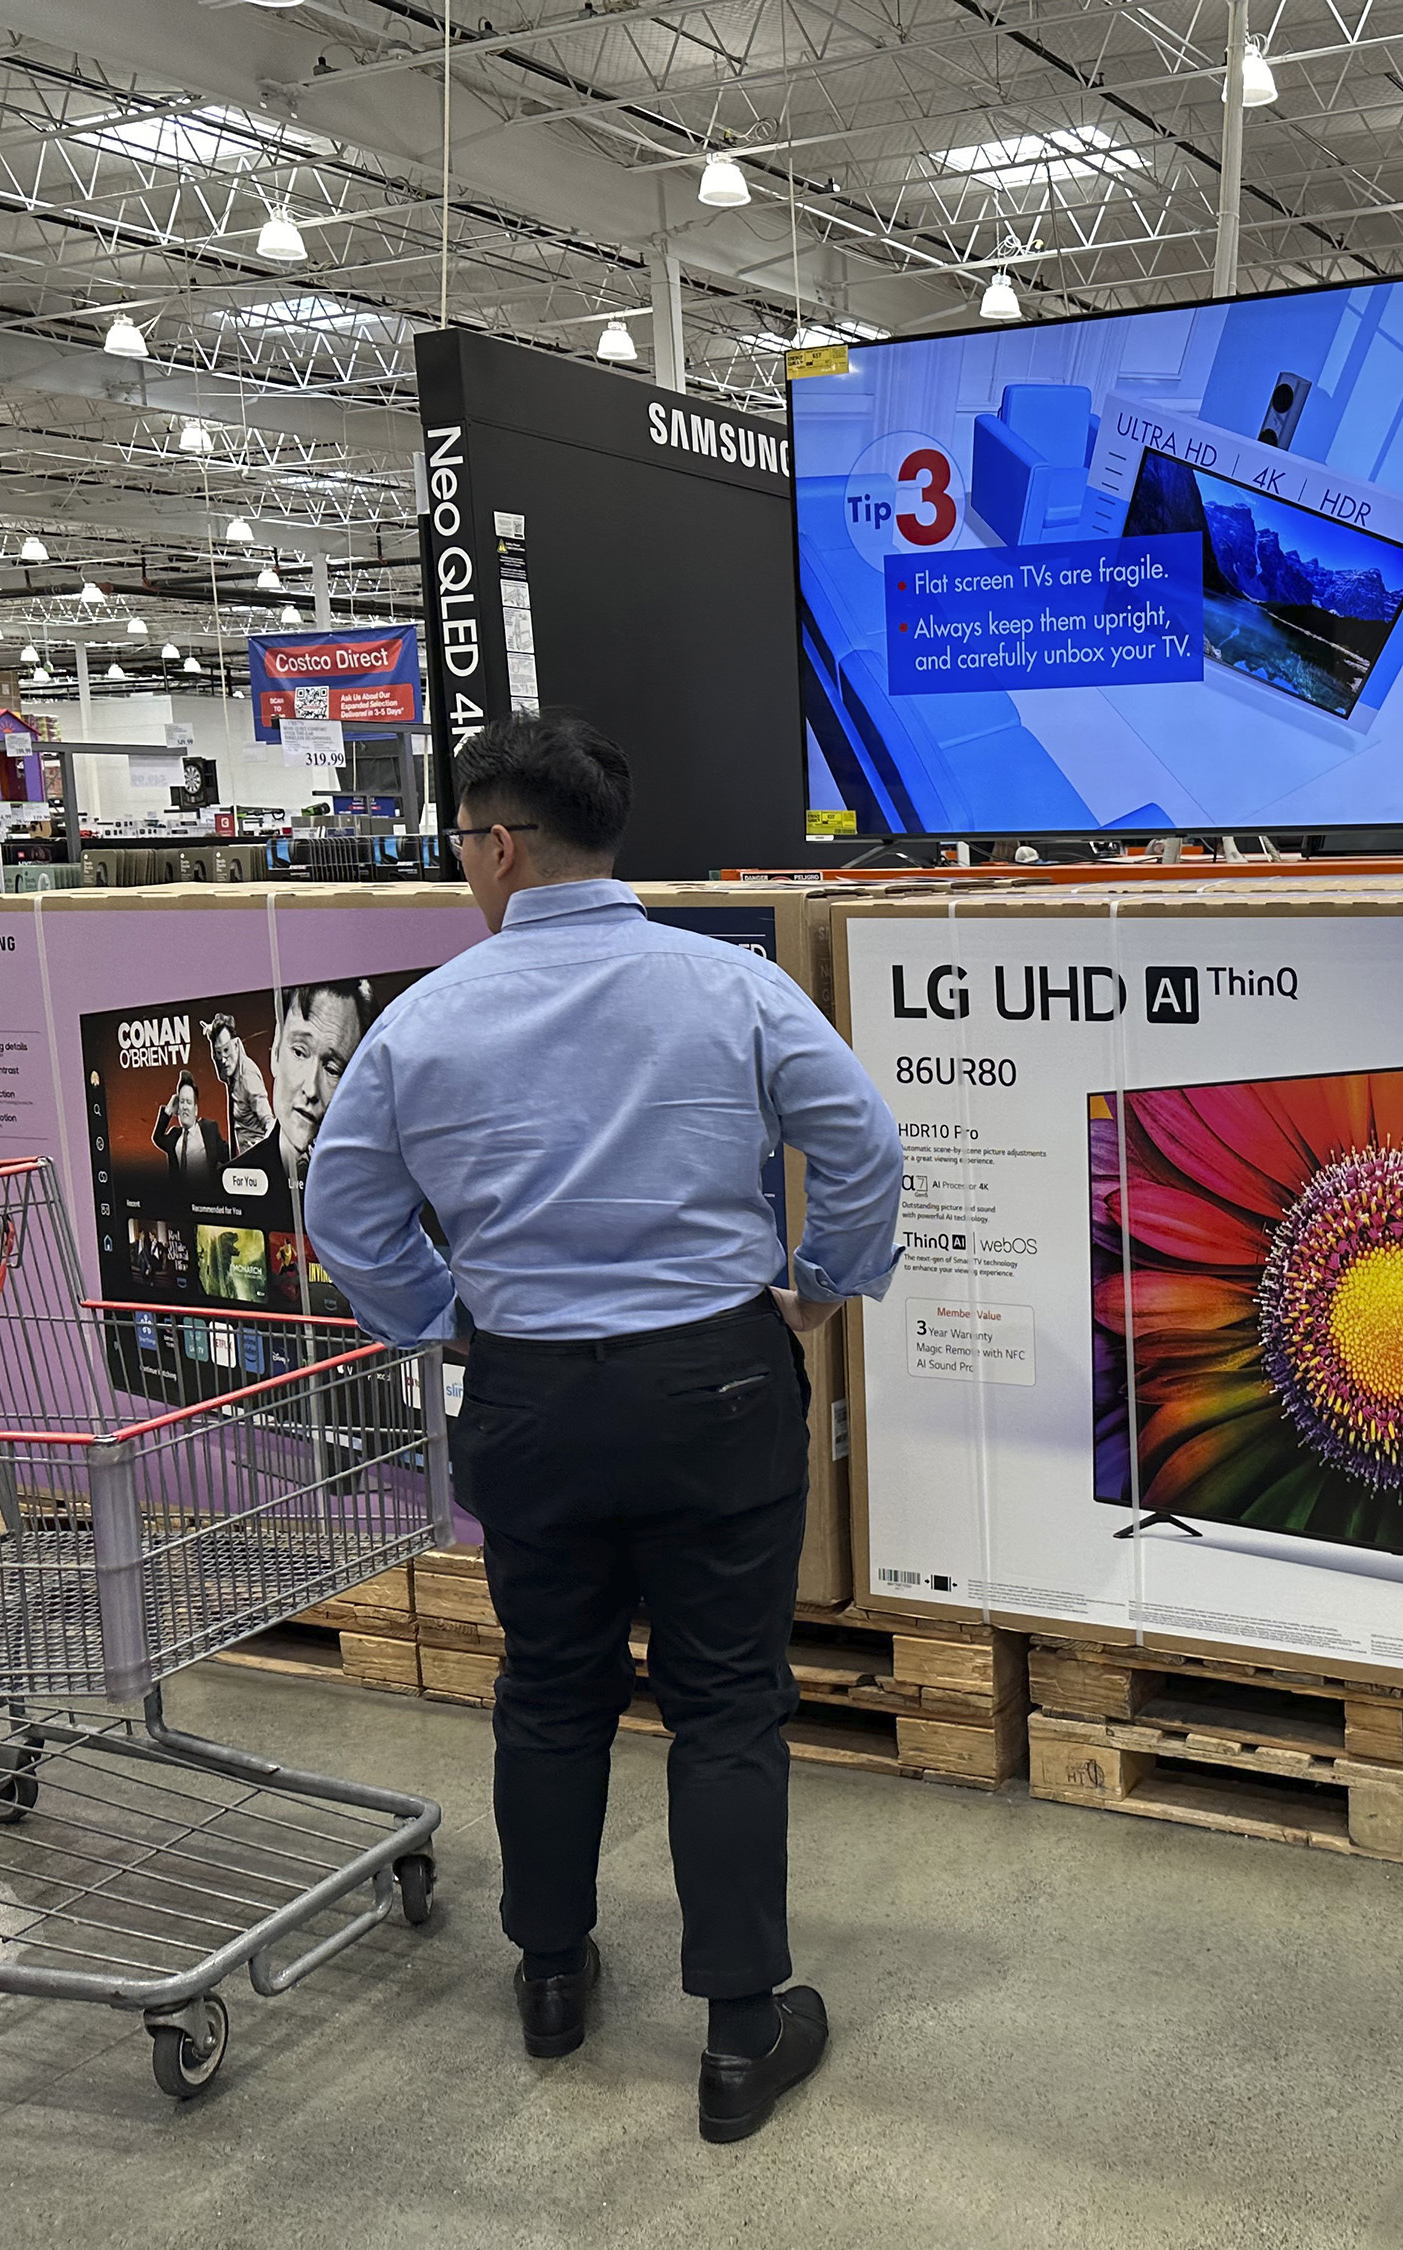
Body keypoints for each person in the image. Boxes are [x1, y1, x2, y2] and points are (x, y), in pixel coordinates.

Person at [303, 711, 902, 2146]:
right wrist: (822, 1289)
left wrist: (444, 1314)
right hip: (717, 1384)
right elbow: (866, 1145)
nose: (463, 869)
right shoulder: (729, 988)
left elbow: (344, 1211)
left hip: (535, 1394)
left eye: (461, 844)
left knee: (552, 1687)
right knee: (728, 1702)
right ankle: (742, 2034)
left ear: (501, 844)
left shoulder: (426, 1019)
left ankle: (552, 1976)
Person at [233, 980, 370, 1203]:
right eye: (299, 1052)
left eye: (333, 1069)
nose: (311, 1089)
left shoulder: (379, 1195)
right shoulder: (224, 1185)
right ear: (276, 1050)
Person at [205, 1012, 273, 1156]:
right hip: (242, 1157)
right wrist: (211, 1032)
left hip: (257, 1157)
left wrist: (265, 1148)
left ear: (236, 1045)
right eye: (218, 1053)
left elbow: (268, 1121)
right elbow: (219, 1065)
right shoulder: (230, 1069)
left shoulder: (247, 1077)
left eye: (226, 1050)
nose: (223, 1059)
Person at [151, 1075, 220, 1191]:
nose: (185, 1107)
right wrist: (168, 1110)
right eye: (182, 1102)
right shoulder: (174, 1135)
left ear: (196, 1109)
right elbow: (157, 1138)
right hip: (181, 1202)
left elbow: (227, 1155)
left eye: (188, 1102)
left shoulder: (209, 1129)